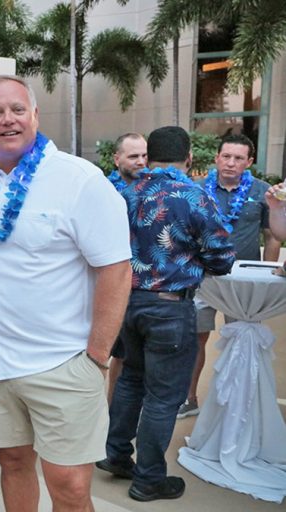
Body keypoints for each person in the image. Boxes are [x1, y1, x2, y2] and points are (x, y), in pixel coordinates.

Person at [0, 75, 132, 511]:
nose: (7, 120)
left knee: (68, 487)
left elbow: (117, 268)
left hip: (61, 362)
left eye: (17, 110)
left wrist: (96, 357)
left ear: (35, 115)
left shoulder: (79, 180)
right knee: (12, 463)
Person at [98, 126, 236, 501]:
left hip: (126, 303)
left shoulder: (122, 192)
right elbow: (221, 256)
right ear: (188, 157)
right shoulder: (193, 195)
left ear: (148, 155)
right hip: (169, 308)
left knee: (130, 381)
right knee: (162, 397)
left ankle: (115, 455)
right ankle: (149, 478)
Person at [178, 133, 277, 419]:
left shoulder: (263, 192)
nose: (231, 163)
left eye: (238, 158)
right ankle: (189, 398)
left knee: (243, 338)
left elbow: (271, 237)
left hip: (245, 282)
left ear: (249, 162)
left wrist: (267, 280)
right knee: (195, 337)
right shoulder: (196, 190)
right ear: (217, 158)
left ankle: (240, 402)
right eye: (226, 157)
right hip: (204, 277)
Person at [105, 132, 147, 401]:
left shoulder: (155, 191)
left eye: (145, 155)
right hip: (110, 286)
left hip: (144, 289)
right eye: (134, 156)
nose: (141, 162)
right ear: (117, 158)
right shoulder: (103, 191)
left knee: (136, 358)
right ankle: (107, 413)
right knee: (110, 355)